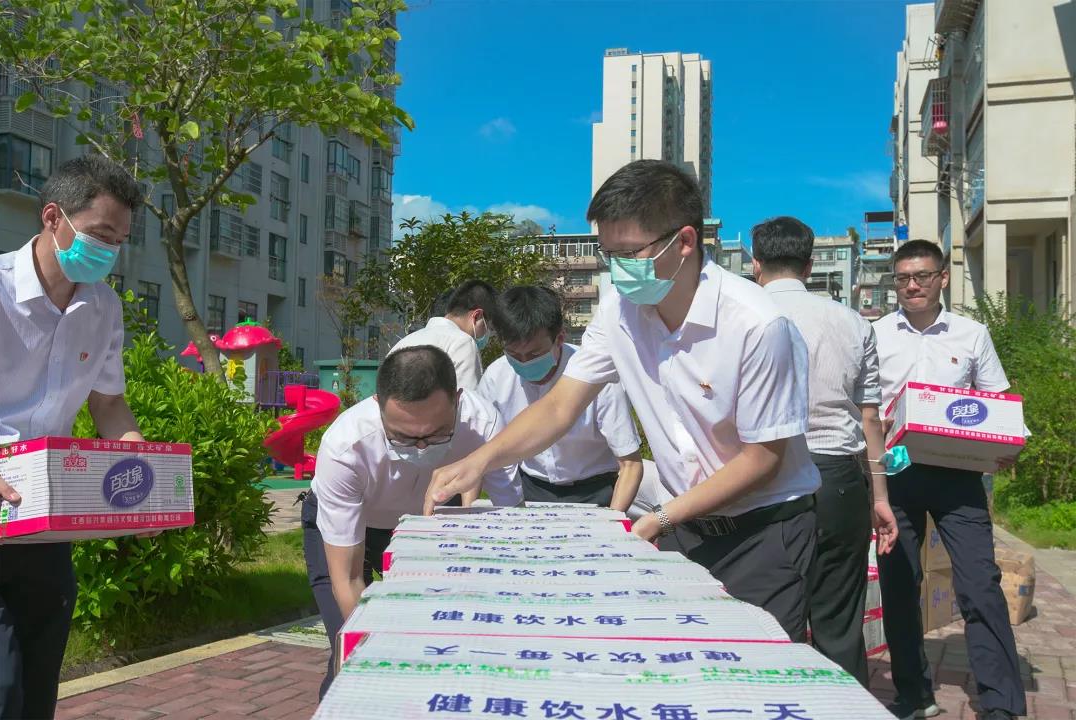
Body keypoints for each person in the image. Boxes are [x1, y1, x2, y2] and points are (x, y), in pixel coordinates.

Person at [426, 160, 821, 640]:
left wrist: (661, 518)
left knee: (754, 664)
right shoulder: (620, 311)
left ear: (685, 241)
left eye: (630, 253)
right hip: (685, 527)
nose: (618, 270)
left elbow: (762, 459)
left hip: (762, 532)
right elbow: (559, 406)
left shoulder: (757, 325)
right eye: (608, 254)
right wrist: (479, 461)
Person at [0, 155, 149, 720]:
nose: (109, 251)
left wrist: (135, 452)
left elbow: (107, 402)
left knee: (38, 690)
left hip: (45, 520)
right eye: (100, 234)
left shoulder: (102, 306)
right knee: (1, 691)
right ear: (53, 217)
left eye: (120, 241)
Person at [303, 345, 522, 698]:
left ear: (458, 400)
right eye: (403, 436)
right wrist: (372, 657)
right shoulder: (345, 447)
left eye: (436, 434)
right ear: (377, 404)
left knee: (433, 640)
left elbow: (514, 526)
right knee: (350, 652)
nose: (421, 448)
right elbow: (349, 578)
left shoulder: (484, 426)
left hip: (427, 524)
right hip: (351, 527)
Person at [874, 239, 1025, 720]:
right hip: (897, 467)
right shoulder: (876, 334)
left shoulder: (971, 334)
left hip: (957, 471)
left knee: (980, 583)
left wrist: (1007, 444)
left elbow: (996, 398)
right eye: (902, 278)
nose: (912, 285)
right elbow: (864, 404)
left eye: (921, 276)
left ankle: (1000, 701)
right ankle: (913, 693)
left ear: (942, 278)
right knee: (900, 583)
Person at [751, 216, 898, 686]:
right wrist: (880, 498)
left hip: (762, 480)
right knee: (838, 620)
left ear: (755, 263)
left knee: (768, 619)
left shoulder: (740, 314)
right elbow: (870, 418)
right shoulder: (852, 322)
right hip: (838, 479)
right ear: (810, 266)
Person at [478, 285, 643, 510]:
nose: (525, 362)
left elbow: (631, 465)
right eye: (514, 354)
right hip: (531, 490)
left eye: (535, 354)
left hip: (595, 492)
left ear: (560, 338)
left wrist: (612, 520)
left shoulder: (598, 376)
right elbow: (483, 453)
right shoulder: (496, 377)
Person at [389, 279, 497, 392]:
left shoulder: (404, 342)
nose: (488, 334)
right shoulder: (463, 342)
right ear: (476, 316)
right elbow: (466, 400)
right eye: (489, 327)